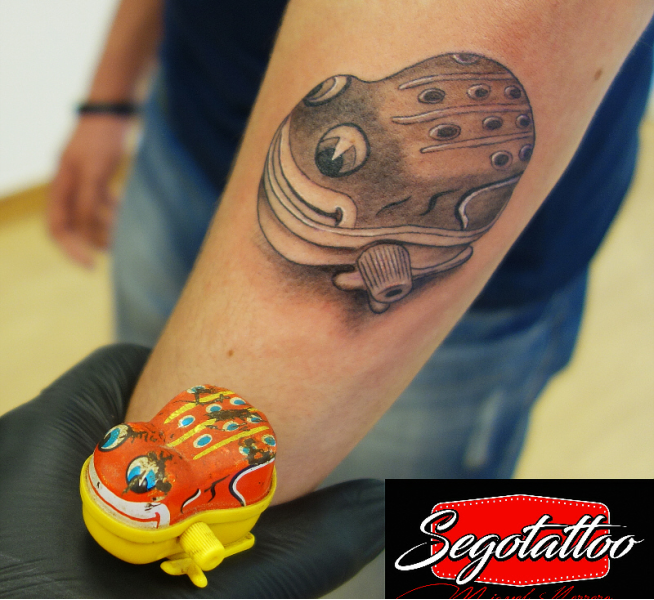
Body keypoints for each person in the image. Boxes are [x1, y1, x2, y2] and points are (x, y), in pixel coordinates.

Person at [50, 1, 653, 494]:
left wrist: (138, 515)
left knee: (387, 563)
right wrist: (110, 94)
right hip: (187, 125)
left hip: (456, 314)